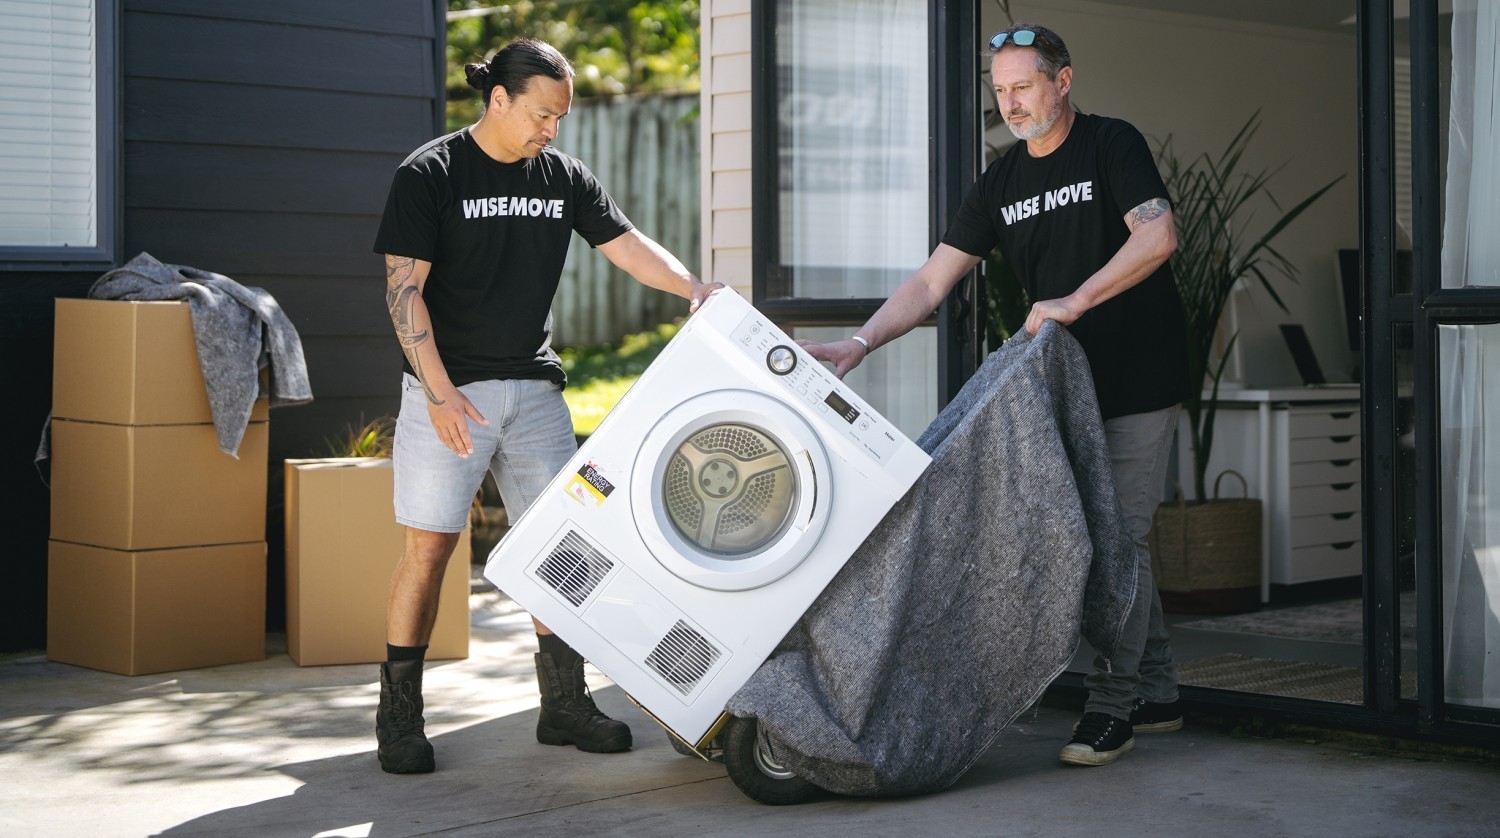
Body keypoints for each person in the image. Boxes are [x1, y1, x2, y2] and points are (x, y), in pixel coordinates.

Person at [800, 23, 1186, 767]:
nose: (1009, 102)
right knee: (1111, 536)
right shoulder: (1003, 181)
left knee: (1119, 537)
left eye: (1024, 85)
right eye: (1000, 89)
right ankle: (1160, 690)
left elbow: (1157, 236)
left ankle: (1115, 707)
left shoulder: (1111, 144)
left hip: (1140, 376)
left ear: (1062, 81)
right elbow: (929, 282)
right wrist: (859, 343)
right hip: (1060, 389)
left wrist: (1076, 298)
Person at [371, 37, 719, 774]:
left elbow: (626, 246)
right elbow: (403, 296)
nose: (550, 130)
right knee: (429, 550)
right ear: (497, 100)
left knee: (562, 554)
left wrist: (694, 290)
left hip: (534, 392)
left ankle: (563, 704)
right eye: (541, 114)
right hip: (450, 390)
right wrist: (437, 393)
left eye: (559, 118)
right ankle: (399, 716)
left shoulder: (561, 176)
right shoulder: (429, 173)